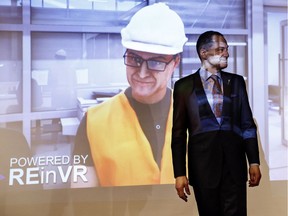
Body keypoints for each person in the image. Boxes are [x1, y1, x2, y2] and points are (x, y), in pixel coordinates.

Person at [72, 3, 188, 187]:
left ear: (175, 63)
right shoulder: (93, 122)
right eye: (135, 59)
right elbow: (83, 202)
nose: (142, 73)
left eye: (156, 62)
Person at [171, 30, 262, 215]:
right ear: (204, 53)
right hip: (202, 168)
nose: (226, 53)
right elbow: (178, 134)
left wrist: (254, 161)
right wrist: (179, 173)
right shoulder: (183, 86)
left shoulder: (236, 82)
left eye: (226, 49)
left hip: (234, 167)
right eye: (221, 49)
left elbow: (247, 124)